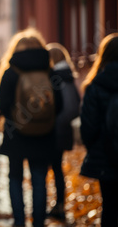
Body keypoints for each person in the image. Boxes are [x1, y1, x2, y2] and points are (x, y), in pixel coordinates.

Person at [0, 28, 61, 227]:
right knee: (39, 178)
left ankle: (19, 222)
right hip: (44, 134)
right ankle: (39, 222)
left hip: (16, 134)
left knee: (15, 178)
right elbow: (59, 104)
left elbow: (2, 104)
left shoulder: (11, 71)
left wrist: (17, 118)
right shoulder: (49, 70)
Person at [80, 33, 118, 227]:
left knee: (109, 205)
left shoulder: (95, 85)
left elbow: (88, 127)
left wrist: (95, 147)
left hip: (105, 157)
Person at [46, 43, 81, 222]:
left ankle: (50, 206)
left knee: (46, 169)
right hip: (63, 130)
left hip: (52, 130)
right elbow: (76, 104)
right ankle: (59, 205)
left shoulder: (55, 77)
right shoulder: (69, 75)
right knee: (58, 169)